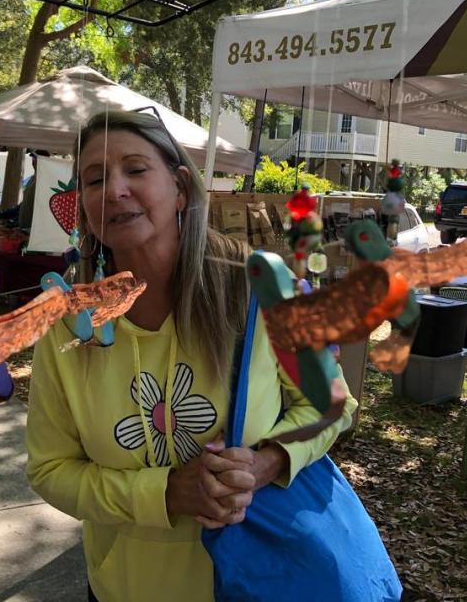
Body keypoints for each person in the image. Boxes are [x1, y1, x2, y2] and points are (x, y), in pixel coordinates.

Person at [26, 111, 361, 602]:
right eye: (95, 179)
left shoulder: (258, 286)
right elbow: (50, 469)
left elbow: (332, 403)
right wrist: (164, 494)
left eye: (136, 170)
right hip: (125, 587)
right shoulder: (66, 325)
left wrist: (268, 462)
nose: (115, 190)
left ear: (181, 187)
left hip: (254, 582)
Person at [16, 148, 50, 231]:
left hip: (35, 229)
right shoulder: (32, 178)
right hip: (24, 227)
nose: (33, 161)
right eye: (33, 158)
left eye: (36, 158)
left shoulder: (47, 180)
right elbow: (25, 203)